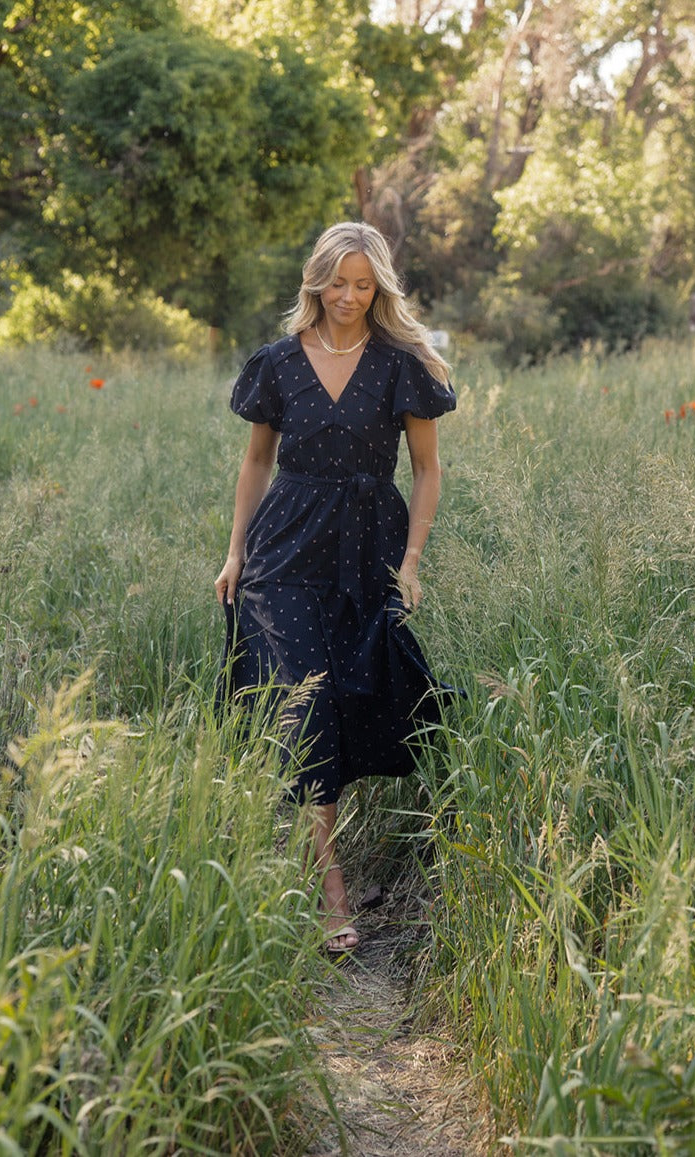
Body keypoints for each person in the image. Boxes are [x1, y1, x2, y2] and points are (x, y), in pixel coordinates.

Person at [214, 221, 457, 954]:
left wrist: (410, 561)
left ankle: (320, 848)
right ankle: (332, 891)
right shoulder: (277, 364)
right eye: (338, 282)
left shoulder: (402, 365)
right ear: (314, 280)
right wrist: (234, 555)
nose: (349, 297)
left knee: (355, 695)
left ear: (378, 287)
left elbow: (426, 470)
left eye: (364, 284)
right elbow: (257, 464)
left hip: (367, 548)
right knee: (305, 701)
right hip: (284, 548)